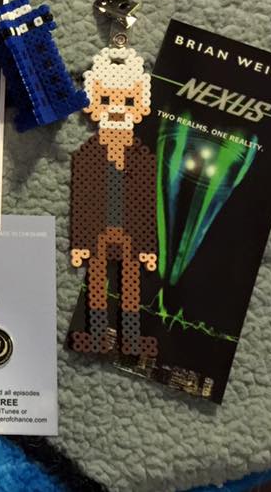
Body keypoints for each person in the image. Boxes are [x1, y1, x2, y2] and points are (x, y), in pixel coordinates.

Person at [70, 48, 158, 358]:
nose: (118, 108)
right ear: (95, 103)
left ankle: (131, 339)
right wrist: (80, 243)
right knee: (97, 282)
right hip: (98, 234)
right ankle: (96, 336)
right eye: (108, 100)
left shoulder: (143, 158)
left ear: (140, 105)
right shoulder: (87, 154)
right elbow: (82, 200)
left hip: (131, 235)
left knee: (130, 286)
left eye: (128, 101)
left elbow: (147, 205)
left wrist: (148, 246)